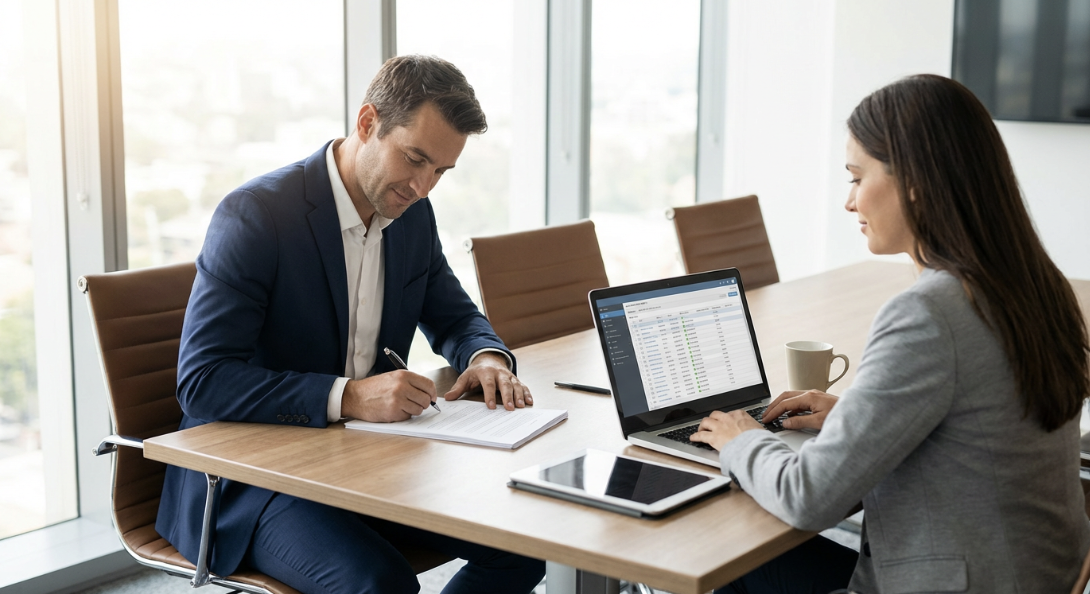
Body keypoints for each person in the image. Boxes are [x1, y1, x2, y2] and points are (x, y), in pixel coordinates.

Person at [157, 55, 545, 594]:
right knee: (380, 584)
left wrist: (486, 358)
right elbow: (203, 382)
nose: (423, 186)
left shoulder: (411, 214)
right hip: (256, 478)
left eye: (440, 172)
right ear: (367, 123)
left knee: (522, 548)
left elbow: (455, 315)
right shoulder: (257, 216)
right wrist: (351, 397)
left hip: (365, 459)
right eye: (415, 159)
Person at [691, 74, 1090, 594]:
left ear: (916, 182)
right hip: (1032, 574)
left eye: (857, 178)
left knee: (723, 561)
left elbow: (807, 497)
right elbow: (981, 418)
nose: (849, 202)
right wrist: (858, 418)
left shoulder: (929, 313)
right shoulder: (1036, 284)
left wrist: (740, 439)